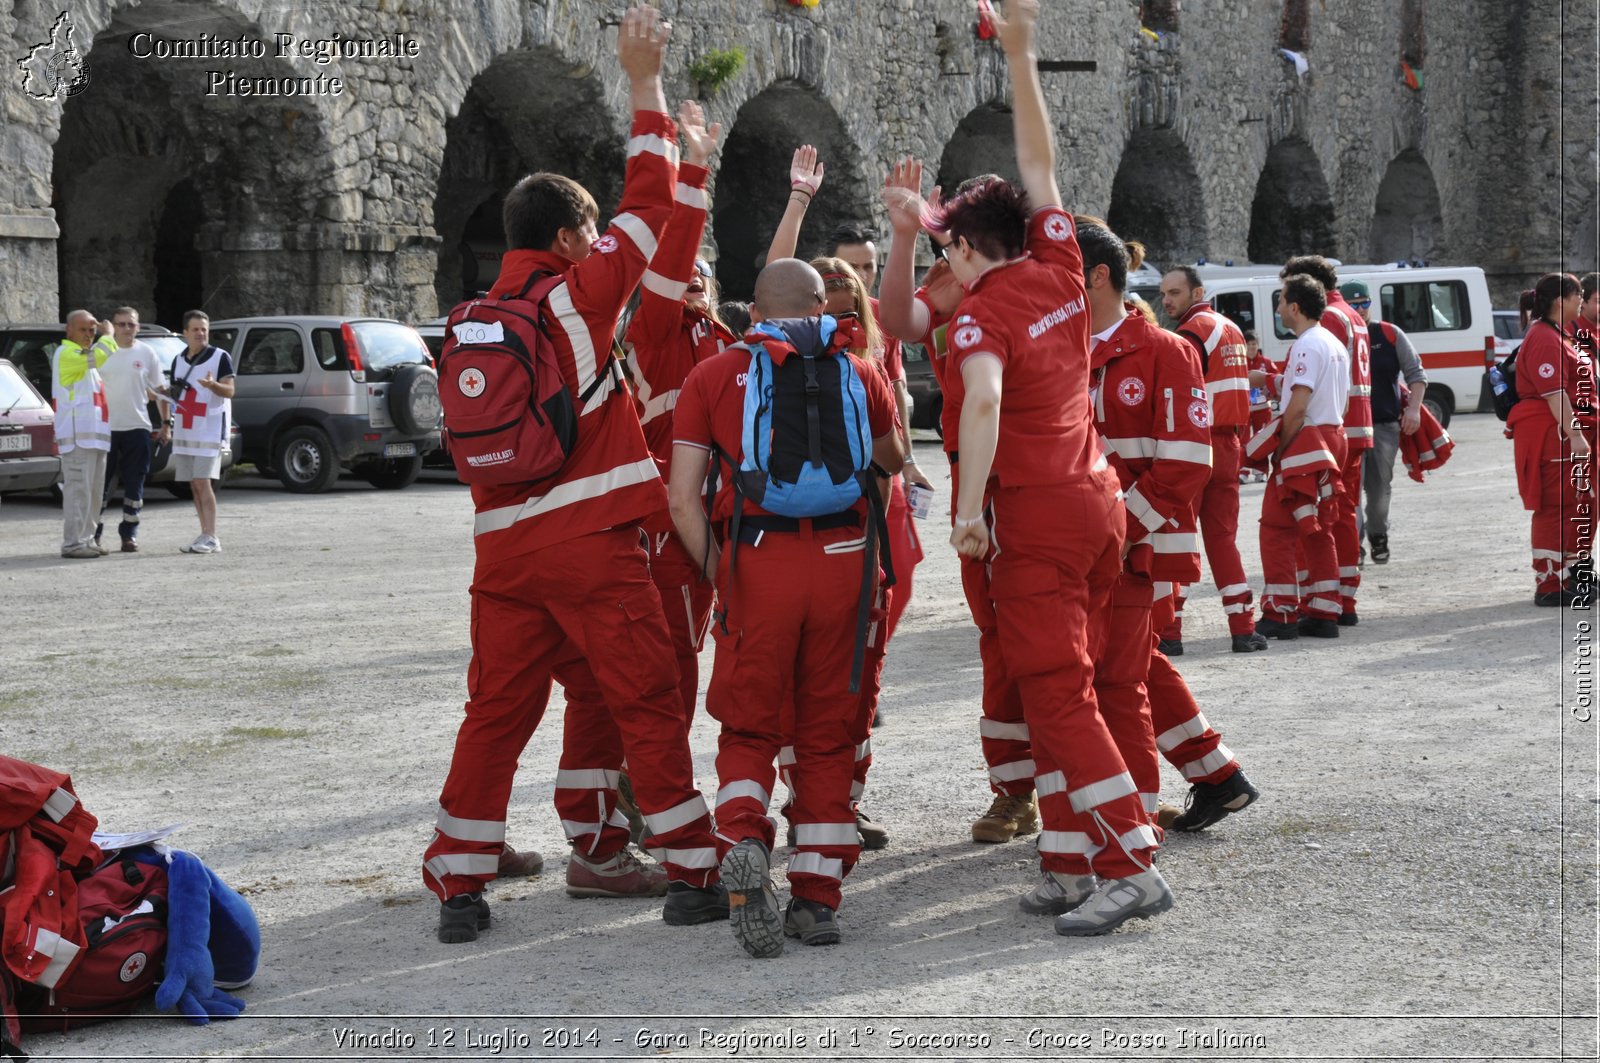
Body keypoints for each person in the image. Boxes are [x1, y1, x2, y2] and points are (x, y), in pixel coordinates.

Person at [422, 5, 727, 944]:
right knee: (645, 696)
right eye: (586, 235)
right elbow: (646, 206)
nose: (597, 246)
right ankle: (693, 867)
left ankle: (459, 884)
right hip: (592, 543)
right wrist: (644, 87)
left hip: (502, 555)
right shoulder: (577, 299)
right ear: (564, 240)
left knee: (495, 714)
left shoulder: (470, 320)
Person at [936, 0, 1172, 935]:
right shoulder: (1062, 266)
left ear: (961, 246)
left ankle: (1128, 860)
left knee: (1058, 693)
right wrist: (1023, 54)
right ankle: (1074, 858)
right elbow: (1043, 165)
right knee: (1073, 682)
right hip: (1098, 503)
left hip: (1034, 518)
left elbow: (983, 400)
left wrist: (966, 508)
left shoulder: (981, 311)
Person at [668, 257, 903, 956]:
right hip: (843, 564)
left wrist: (722, 572)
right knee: (830, 732)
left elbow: (682, 497)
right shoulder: (860, 370)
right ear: (818, 302)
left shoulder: (711, 376)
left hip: (759, 561)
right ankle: (818, 898)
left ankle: (742, 834)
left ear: (752, 311)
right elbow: (885, 464)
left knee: (749, 720)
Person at [879, 175, 1040, 846]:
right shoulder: (957, 281)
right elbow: (897, 321)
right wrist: (905, 236)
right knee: (1000, 641)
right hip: (982, 477)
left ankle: (1112, 792)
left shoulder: (1044, 276)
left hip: (1044, 475)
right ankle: (1015, 791)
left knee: (1079, 645)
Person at [622, 100, 732, 725]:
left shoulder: (728, 341)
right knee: (669, 658)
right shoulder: (653, 333)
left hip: (720, 516)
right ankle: (652, 781)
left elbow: (788, 290)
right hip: (664, 524)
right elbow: (667, 265)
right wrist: (693, 170)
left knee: (693, 651)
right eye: (679, 272)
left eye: (701, 274)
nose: (689, 277)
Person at [1158, 266, 1269, 654]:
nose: (1167, 301)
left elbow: (1176, 394)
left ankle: (1169, 633)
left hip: (1196, 447)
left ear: (1197, 292)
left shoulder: (1190, 333)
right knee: (1223, 539)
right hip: (1229, 446)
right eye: (1164, 293)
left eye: (1174, 293)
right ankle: (1243, 628)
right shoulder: (1233, 330)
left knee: (1179, 540)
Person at [1250, 274, 1350, 639]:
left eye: (1280, 303)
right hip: (1331, 436)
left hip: (1307, 440)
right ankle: (1324, 609)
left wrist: (1279, 447)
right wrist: (1273, 380)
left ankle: (1280, 613)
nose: (1278, 310)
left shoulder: (1307, 346)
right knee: (1319, 526)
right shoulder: (1332, 342)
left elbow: (1298, 406)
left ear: (1294, 307)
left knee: (1276, 527)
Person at [1282, 255, 1371, 625]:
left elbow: (1316, 380)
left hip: (1331, 427)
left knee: (1319, 519)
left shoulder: (1329, 319)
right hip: (1353, 425)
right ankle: (1343, 598)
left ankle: (1324, 600)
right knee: (1343, 515)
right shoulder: (1350, 312)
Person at [1508, 272, 1592, 606]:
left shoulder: (1553, 334)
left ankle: (1564, 576)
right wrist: (1575, 434)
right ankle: (1548, 583)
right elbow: (1555, 392)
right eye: (1579, 295)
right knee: (1553, 506)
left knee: (1567, 504)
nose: (1581, 301)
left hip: (1552, 430)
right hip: (1549, 433)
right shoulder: (1544, 338)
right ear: (1561, 301)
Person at [1338, 281, 1426, 564]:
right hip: (1347, 427)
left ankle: (1378, 536)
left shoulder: (1388, 333)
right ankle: (1355, 546)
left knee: (1378, 490)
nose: (1360, 309)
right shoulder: (1337, 336)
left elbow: (1416, 373)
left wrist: (1413, 410)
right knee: (1350, 490)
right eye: (1354, 305)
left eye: (1365, 303)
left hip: (1383, 426)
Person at [95, 307, 167, 553]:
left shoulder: (147, 353)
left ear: (138, 326)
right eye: (121, 324)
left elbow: (160, 391)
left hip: (137, 427)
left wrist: (166, 424)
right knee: (100, 485)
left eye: (131, 324)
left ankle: (129, 534)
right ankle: (94, 534)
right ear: (112, 326)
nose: (127, 329)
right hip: (105, 428)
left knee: (135, 485)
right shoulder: (102, 351)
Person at [167, 311, 235, 555]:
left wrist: (213, 385)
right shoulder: (178, 360)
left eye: (204, 329)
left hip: (209, 429)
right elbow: (177, 393)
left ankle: (212, 536)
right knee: (194, 484)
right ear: (185, 333)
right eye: (195, 329)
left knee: (203, 482)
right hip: (187, 430)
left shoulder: (220, 357)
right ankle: (204, 532)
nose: (200, 334)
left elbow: (230, 391)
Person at [51, 310, 113, 559]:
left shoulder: (86, 358)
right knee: (79, 491)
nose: (89, 335)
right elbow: (100, 355)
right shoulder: (66, 353)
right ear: (69, 331)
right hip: (77, 438)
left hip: (95, 437)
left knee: (94, 493)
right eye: (83, 330)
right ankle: (73, 543)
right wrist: (108, 336)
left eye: (92, 331)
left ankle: (87, 538)